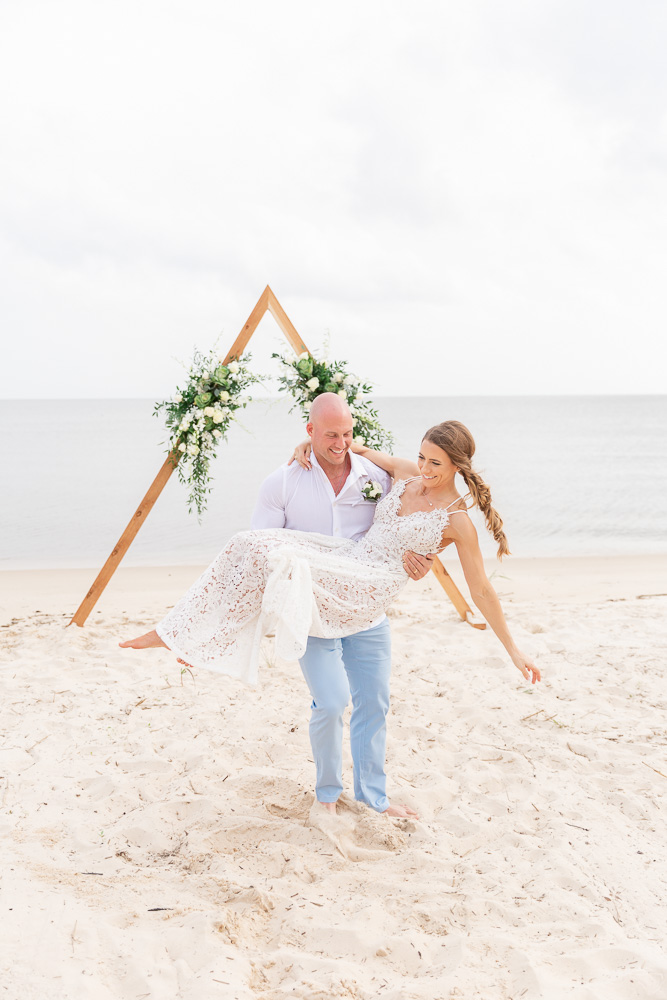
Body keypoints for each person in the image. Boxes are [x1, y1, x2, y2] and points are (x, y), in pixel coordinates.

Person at [120, 408, 540, 812]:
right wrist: (309, 441)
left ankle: (373, 798)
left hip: (370, 588)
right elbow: (351, 450)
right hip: (349, 558)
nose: (426, 469)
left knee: (294, 573)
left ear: (458, 467)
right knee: (251, 543)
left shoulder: (457, 521)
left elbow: (482, 590)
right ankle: (182, 633)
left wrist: (514, 650)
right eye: (422, 458)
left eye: (437, 464)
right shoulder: (406, 475)